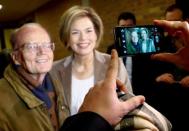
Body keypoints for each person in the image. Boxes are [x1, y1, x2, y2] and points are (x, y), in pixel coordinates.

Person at [50, 5, 171, 131]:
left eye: (88, 31)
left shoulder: (113, 62)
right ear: (66, 37)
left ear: (96, 33)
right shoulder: (53, 70)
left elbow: (127, 105)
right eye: (75, 32)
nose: (83, 38)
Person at [0, 23, 65, 131]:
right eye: (31, 46)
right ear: (15, 57)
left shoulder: (56, 81)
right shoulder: (2, 96)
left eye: (46, 45)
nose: (42, 52)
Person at [106, 12, 136, 82]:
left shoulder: (141, 48)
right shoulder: (111, 49)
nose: (125, 30)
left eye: (129, 27)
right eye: (122, 27)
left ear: (134, 27)